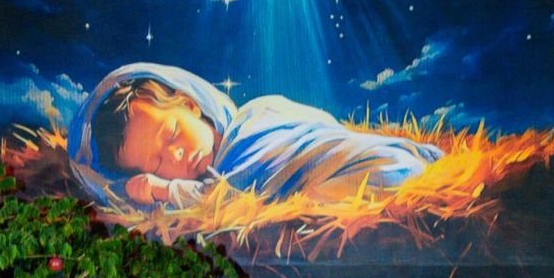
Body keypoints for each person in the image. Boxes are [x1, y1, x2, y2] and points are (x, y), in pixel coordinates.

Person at [71, 63, 445, 209]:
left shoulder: (258, 117)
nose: (176, 156)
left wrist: (166, 189)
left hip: (375, 164)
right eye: (157, 164)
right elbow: (229, 199)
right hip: (358, 180)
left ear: (189, 104)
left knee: (383, 170)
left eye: (171, 134)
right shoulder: (218, 179)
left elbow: (319, 139)